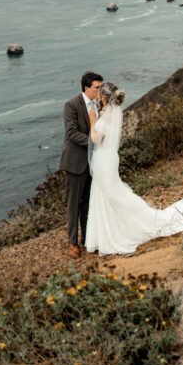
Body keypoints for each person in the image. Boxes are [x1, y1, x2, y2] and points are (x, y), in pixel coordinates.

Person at [85, 80, 183, 256]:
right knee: (108, 193)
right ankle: (106, 234)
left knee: (109, 194)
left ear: (103, 97)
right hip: (108, 158)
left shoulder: (107, 116)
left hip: (104, 160)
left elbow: (94, 139)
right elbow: (102, 138)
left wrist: (93, 120)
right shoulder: (111, 114)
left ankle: (114, 233)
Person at [60, 71, 103, 258]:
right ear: (87, 88)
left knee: (87, 203)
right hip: (75, 163)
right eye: (97, 88)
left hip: (92, 164)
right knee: (73, 205)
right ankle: (72, 243)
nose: (100, 91)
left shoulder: (99, 105)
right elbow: (71, 133)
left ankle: (87, 237)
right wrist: (94, 140)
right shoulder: (71, 105)